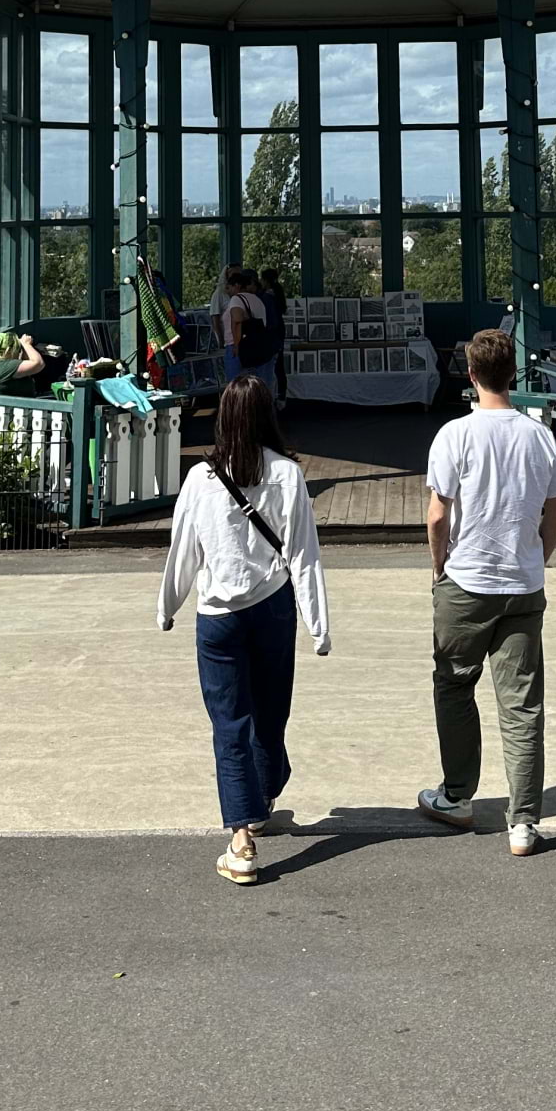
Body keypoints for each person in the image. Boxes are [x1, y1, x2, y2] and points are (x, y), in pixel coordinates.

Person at [157, 374, 329, 886]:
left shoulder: (200, 479)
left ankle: (241, 838)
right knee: (273, 707)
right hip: (272, 605)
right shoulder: (288, 474)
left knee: (230, 723)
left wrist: (168, 604)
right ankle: (265, 791)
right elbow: (303, 554)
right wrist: (318, 624)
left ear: (223, 419)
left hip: (217, 615)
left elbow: (184, 550)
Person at [418, 326, 556, 858]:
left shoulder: (454, 435)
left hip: (466, 579)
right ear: (513, 373)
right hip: (522, 581)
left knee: (455, 687)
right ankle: (523, 821)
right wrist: (540, 555)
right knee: (522, 704)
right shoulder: (538, 436)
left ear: (471, 374)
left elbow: (439, 514)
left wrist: (439, 565)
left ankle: (458, 794)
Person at [218, 267, 272, 392]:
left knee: (235, 387)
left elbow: (237, 320)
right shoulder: (257, 300)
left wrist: (236, 345)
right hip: (258, 346)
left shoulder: (236, 299)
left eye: (229, 287)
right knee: (255, 387)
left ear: (236, 286)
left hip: (237, 346)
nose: (228, 291)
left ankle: (238, 410)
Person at [0, 330, 52, 396]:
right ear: (9, 349)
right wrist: (26, 344)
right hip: (16, 409)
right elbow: (39, 364)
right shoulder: (2, 366)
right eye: (18, 348)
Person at [256, 266, 290, 403]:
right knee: (279, 365)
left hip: (271, 332)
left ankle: (268, 395)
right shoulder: (278, 293)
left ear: (265, 280)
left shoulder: (265, 297)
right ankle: (281, 394)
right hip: (280, 330)